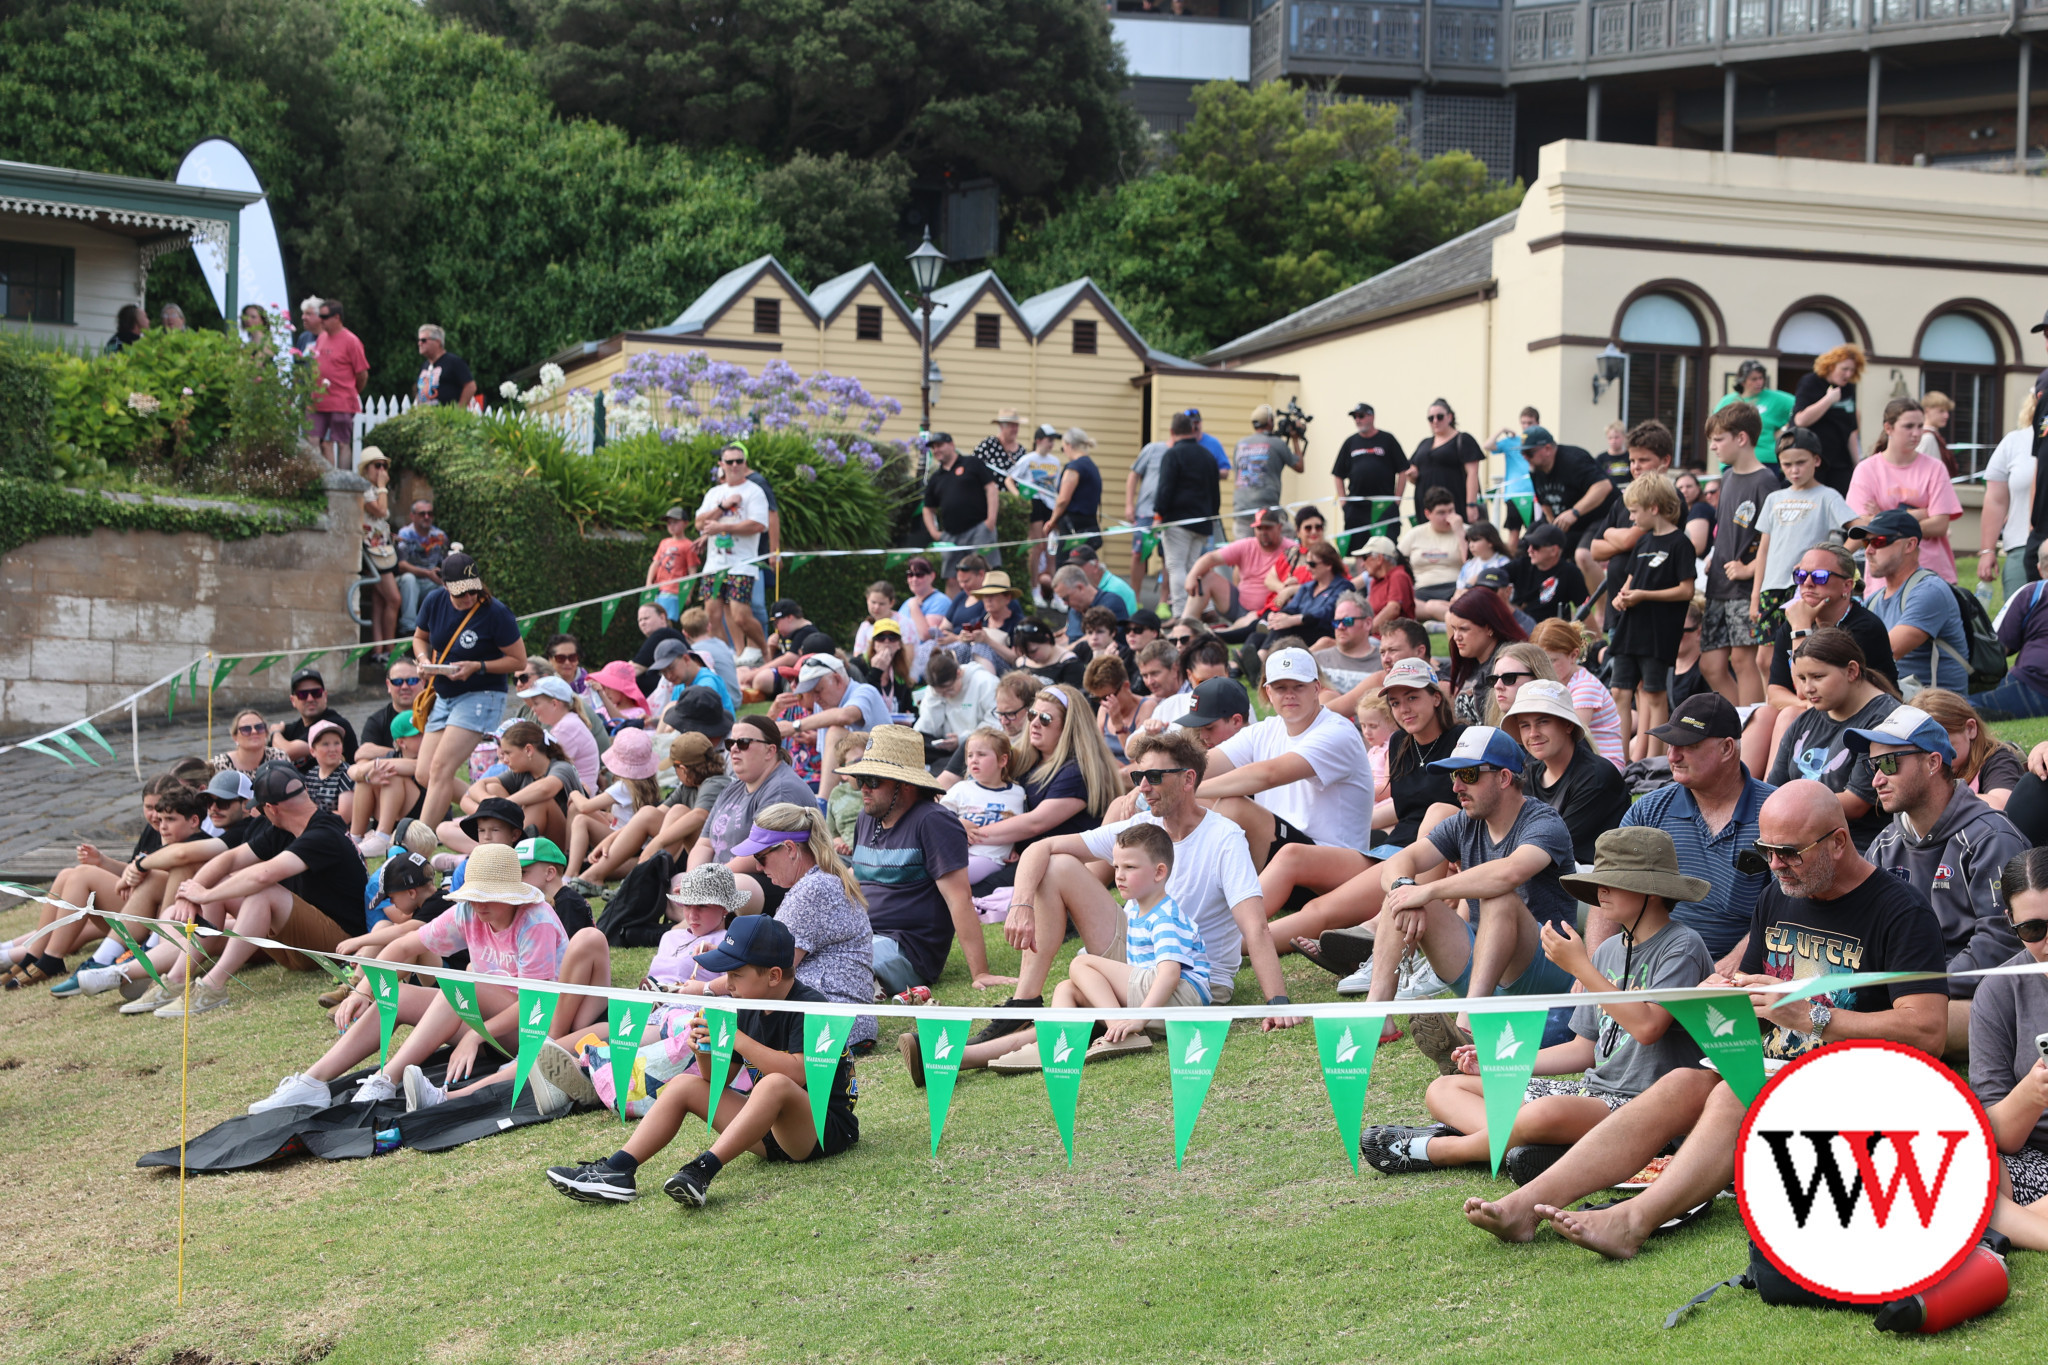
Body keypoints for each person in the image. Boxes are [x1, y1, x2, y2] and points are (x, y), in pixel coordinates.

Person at [1466, 780, 1947, 1259]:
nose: (1775, 865)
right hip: (1771, 1067)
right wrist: (1728, 990)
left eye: (1789, 853)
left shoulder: (1901, 911)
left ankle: (1633, 1221)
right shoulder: (1779, 896)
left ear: (1838, 843)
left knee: (1730, 1094)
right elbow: (1759, 990)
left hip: (1854, 1081)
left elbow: (1928, 1032)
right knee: (1680, 1081)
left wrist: (1815, 1016)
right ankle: (1524, 1208)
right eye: (1766, 850)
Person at [1360, 827, 1714, 1176]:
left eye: (1613, 882)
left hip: (1649, 1106)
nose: (1600, 891)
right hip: (1595, 1096)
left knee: (1543, 1114)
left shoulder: (1682, 946)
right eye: (1599, 881)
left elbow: (1649, 1027)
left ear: (1651, 892)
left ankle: (1446, 1150)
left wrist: (1580, 966)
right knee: (1445, 1088)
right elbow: (1583, 1050)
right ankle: (1538, 1148)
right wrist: (1500, 1063)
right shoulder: (1608, 950)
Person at [952, 728, 1289, 1075]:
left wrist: (1277, 1001)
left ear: (1189, 779)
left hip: (1191, 979)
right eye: (1138, 776)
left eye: (1154, 777)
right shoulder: (1142, 828)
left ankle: (973, 1055)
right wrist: (1021, 904)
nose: (1143, 787)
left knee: (1076, 982)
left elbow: (1255, 926)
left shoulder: (1223, 837)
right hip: (1140, 960)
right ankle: (1010, 1018)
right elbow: (1041, 847)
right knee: (1057, 868)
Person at [543, 915, 855, 1207]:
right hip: (767, 1131)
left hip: (819, 1133)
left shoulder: (812, 1006)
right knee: (682, 1085)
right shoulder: (746, 1005)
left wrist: (737, 1039)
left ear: (773, 975)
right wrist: (703, 1051)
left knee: (774, 1083)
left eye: (735, 974)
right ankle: (617, 1171)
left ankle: (702, 1170)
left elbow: (796, 1075)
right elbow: (717, 1081)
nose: (727, 984)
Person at [1362, 727, 1580, 1063]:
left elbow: (1509, 873)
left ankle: (1469, 1026)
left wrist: (1428, 890)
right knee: (1401, 891)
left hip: (1546, 970)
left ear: (1504, 777)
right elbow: (1401, 861)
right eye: (1453, 775)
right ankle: (1377, 1017)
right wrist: (1403, 887)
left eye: (1467, 774)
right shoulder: (1464, 821)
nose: (1456, 786)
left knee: (1500, 897)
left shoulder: (1543, 822)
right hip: (1486, 965)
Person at [1857, 704, 2026, 1058]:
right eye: (1873, 766)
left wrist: (1917, 990)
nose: (1876, 779)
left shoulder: (1991, 837)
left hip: (1972, 995)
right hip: (1905, 995)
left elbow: (2003, 942)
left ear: (1933, 763)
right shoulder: (1885, 844)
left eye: (1889, 764)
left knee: (1872, 1029)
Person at [140, 765, 369, 1018]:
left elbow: (263, 875)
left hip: (340, 947)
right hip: (301, 942)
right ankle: (176, 979)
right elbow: (228, 860)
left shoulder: (324, 834)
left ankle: (212, 986)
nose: (257, 813)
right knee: (223, 886)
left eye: (259, 808)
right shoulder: (285, 829)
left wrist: (203, 895)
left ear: (271, 809)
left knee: (261, 892)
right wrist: (190, 894)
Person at [839, 725, 1010, 992]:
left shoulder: (933, 821)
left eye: (873, 781)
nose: (863, 789)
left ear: (905, 785)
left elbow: (959, 899)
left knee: (839, 966)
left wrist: (981, 972)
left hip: (906, 948)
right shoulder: (868, 816)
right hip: (860, 934)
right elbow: (856, 876)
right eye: (861, 779)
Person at [1616, 692, 1773, 967]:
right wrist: (1593, 967)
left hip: (1741, 975)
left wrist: (1731, 966)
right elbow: (1607, 887)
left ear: (1727, 749)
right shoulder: (1648, 810)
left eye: (1688, 744)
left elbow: (1792, 909)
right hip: (1651, 967)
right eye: (1669, 744)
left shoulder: (1776, 812)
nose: (1672, 756)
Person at [1050, 822, 1212, 1059]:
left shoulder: (1165, 915)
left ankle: (1120, 1032)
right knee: (1066, 988)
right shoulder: (1135, 910)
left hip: (1182, 999)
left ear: (1159, 872)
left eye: (1130, 867)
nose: (1119, 876)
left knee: (1081, 964)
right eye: (1116, 867)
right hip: (1159, 1002)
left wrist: (1138, 1019)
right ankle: (1059, 1047)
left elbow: (1170, 974)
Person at [1198, 648, 1375, 864]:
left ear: (1316, 689)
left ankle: (1230, 894)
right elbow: (1203, 764)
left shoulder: (1337, 732)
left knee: (1231, 805)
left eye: (1299, 686)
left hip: (1336, 860)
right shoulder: (1265, 730)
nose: (1289, 694)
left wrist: (1186, 789)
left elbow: (1269, 775)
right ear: (1269, 693)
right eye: (1281, 688)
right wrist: (1157, 779)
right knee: (1194, 801)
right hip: (1287, 853)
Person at [726, 804, 877, 1047]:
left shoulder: (813, 889)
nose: (757, 867)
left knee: (694, 1019)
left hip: (828, 1024)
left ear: (789, 849)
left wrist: (704, 988)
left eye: (761, 857)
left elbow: (769, 971)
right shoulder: (819, 882)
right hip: (834, 1018)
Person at [1967, 849, 2048, 1249]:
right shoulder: (2000, 990)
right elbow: (1998, 1136)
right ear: (2013, 927)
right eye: (2034, 930)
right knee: (1957, 1164)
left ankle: (2003, 1223)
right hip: (2033, 1160)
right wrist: (2032, 1095)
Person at [1766, 627, 1898, 852]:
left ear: (1852, 671)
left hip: (1858, 847)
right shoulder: (1805, 720)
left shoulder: (1886, 721)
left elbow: (1856, 803)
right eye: (1801, 678)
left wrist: (1787, 808)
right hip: (1797, 842)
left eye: (1818, 677)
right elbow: (1772, 788)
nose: (1807, 688)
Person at [1698, 403, 1784, 707]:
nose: (1713, 447)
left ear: (1742, 438)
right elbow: (1727, 526)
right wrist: (1713, 553)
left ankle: (1748, 729)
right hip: (1718, 583)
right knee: (1710, 664)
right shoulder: (1728, 477)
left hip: (1745, 588)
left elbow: (1772, 538)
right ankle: (1734, 722)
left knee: (1743, 660)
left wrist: (1749, 570)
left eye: (1719, 439)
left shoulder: (1766, 482)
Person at [1749, 427, 1857, 659]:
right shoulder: (1773, 498)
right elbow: (1764, 549)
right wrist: (1755, 594)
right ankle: (1772, 697)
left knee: (1802, 652)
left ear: (1816, 460)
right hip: (1771, 587)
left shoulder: (1828, 496)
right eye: (1787, 464)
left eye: (1801, 462)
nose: (1794, 470)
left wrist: (1831, 565)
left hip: (1804, 586)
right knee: (1764, 659)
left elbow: (1858, 531)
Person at [1608, 473, 1697, 755]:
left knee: (1654, 693)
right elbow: (1629, 583)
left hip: (1659, 632)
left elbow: (1686, 590)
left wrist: (1645, 596)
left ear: (1654, 508)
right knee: (1620, 692)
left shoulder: (1680, 543)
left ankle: (1654, 762)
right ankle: (1619, 760)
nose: (1632, 518)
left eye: (1635, 512)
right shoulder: (1643, 543)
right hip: (1630, 628)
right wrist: (1621, 599)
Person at [693, 717, 819, 902]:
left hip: (772, 881)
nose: (734, 748)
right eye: (730, 743)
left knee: (733, 887)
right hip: (724, 875)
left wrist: (707, 880)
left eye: (743, 743)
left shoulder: (782, 789)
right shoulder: (732, 788)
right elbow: (704, 843)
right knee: (677, 882)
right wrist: (692, 879)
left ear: (770, 751)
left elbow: (763, 853)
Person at [1505, 681, 1629, 864]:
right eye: (1524, 725)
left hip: (1587, 881)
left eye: (1543, 722)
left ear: (1568, 725)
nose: (1533, 733)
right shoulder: (1530, 774)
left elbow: (1550, 847)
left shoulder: (1596, 777)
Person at [1854, 508, 1969, 695]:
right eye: (1866, 542)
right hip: (1900, 696)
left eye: (1878, 541)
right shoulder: (1874, 599)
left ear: (1909, 545)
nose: (1868, 551)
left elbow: (1883, 653)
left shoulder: (1929, 591)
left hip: (1936, 706)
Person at [1849, 397, 1962, 587]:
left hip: (1931, 573)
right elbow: (1861, 523)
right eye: (1909, 426)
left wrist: (1882, 518)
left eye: (1920, 426)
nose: (1916, 433)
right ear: (1889, 428)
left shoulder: (1935, 468)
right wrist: (1918, 514)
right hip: (1883, 577)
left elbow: (1940, 525)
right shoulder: (1866, 469)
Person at [1586, 420, 1676, 634]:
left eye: (1643, 460)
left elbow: (1631, 540)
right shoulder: (1622, 500)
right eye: (1632, 460)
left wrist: (1611, 534)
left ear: (1665, 461)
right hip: (1617, 610)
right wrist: (1620, 537)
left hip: (1650, 610)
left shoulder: (1669, 498)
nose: (1635, 467)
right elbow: (1595, 550)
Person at [694, 443, 772, 656]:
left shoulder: (754, 491)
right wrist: (722, 508)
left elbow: (758, 525)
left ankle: (765, 651)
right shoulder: (715, 493)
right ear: (721, 464)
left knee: (740, 615)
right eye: (730, 461)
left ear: (745, 463)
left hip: (742, 563)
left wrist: (723, 527)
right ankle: (731, 655)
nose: (735, 465)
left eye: (739, 461)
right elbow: (699, 524)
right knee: (712, 615)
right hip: (714, 564)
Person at [561, 727, 661, 883]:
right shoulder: (647, 783)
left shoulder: (623, 786)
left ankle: (570, 873)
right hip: (631, 837)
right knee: (578, 810)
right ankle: (570, 858)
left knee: (581, 818)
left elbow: (585, 806)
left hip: (625, 842)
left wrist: (574, 792)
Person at [1153, 412, 1222, 618]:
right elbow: (1215, 492)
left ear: (1172, 432)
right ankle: (1206, 609)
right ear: (1194, 430)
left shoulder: (1172, 455)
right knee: (1194, 567)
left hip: (1177, 521)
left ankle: (1181, 614)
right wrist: (1213, 516)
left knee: (1176, 566)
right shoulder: (1208, 456)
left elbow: (1165, 488)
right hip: (1202, 522)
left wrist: (1159, 513)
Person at [1530, 618, 1622, 769]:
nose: (1543, 669)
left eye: (1551, 661)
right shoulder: (1556, 684)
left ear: (1573, 655)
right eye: (1539, 662)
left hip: (1605, 767)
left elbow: (1570, 737)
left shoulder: (1585, 687)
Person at [1915, 687, 2025, 811]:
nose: (1937, 761)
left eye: (1943, 748)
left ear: (1970, 729)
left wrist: (1929, 797)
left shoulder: (1998, 759)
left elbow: (2000, 804)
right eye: (1923, 751)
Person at [942, 727, 1028, 883]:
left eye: (981, 754)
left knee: (954, 877)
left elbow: (1018, 825)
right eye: (969, 755)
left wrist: (1012, 847)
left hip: (989, 858)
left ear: (1002, 760)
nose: (974, 759)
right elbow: (938, 816)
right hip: (955, 852)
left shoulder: (1018, 793)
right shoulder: (961, 788)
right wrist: (958, 823)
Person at [1973, 540, 2048, 719]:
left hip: (2036, 686)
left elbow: (1994, 648)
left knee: (1954, 705)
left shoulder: (2035, 591)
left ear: (2039, 568)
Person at [921, 433, 1000, 592]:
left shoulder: (972, 463)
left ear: (951, 444)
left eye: (939, 445)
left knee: (986, 574)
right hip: (951, 535)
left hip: (979, 529)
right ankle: (954, 616)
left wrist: (991, 520)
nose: (936, 450)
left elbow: (991, 488)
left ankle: (987, 613)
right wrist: (935, 533)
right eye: (933, 447)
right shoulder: (935, 478)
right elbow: (927, 508)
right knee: (952, 578)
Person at [1520, 426, 1613, 561]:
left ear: (1547, 449)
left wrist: (1574, 512)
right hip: (1567, 523)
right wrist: (1553, 529)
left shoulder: (1573, 460)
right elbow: (1544, 503)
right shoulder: (1536, 469)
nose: (1525, 458)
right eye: (1522, 453)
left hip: (1599, 517)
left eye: (1529, 453)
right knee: (1525, 548)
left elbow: (1603, 486)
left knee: (1583, 555)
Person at [1979, 398, 2039, 601]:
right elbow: (1996, 500)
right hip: (2021, 547)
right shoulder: (2015, 441)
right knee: (2019, 623)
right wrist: (1987, 550)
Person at [939, 669, 1040, 789]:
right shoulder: (983, 740)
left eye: (1011, 714)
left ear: (1031, 709)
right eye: (1000, 713)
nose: (1003, 721)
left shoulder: (1036, 749)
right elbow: (947, 779)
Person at [1444, 587, 1527, 727]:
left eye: (1464, 629)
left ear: (1489, 628)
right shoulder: (1471, 660)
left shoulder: (1507, 666)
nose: (1456, 637)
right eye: (1454, 629)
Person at [1791, 343, 1865, 496]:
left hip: (1840, 462)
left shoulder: (1848, 388)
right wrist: (1828, 400)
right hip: (1814, 460)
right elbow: (1800, 420)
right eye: (1844, 369)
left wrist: (1857, 464)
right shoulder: (1811, 382)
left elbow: (1851, 430)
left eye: (1852, 370)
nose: (1848, 374)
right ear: (1831, 366)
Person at [1331, 402, 1408, 541]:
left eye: (1361, 416)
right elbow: (1338, 474)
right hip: (1356, 507)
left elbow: (1403, 470)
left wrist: (1397, 499)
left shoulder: (1388, 439)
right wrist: (1344, 503)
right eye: (1355, 417)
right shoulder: (1350, 442)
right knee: (1358, 549)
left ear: (1372, 417)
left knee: (1385, 546)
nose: (1358, 420)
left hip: (1384, 505)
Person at [311, 300, 368, 468]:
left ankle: (343, 481)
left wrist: (352, 391)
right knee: (312, 438)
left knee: (342, 442)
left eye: (325, 316)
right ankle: (319, 478)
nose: (320, 320)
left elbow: (362, 373)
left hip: (341, 400)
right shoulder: (321, 338)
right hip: (318, 400)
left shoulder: (351, 341)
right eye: (319, 316)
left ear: (337, 317)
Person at [1232, 405, 1304, 538]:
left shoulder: (1240, 444)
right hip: (1267, 511)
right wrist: (1295, 438)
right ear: (1270, 421)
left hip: (1241, 510)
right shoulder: (1276, 443)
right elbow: (1299, 466)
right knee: (1289, 541)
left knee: (1245, 553)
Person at [1412, 398, 1485, 525]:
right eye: (1431, 418)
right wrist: (1411, 475)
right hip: (1427, 506)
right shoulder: (1424, 443)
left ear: (1449, 417)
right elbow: (1414, 475)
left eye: (1439, 417)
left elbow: (1472, 474)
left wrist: (1471, 505)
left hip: (1454, 503)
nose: (1435, 421)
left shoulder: (1463, 439)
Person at [1399, 488, 1467, 621]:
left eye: (1451, 511)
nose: (1448, 517)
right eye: (1441, 513)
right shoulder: (1415, 534)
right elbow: (1395, 560)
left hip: (1455, 589)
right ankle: (1448, 617)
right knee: (1407, 605)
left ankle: (1439, 616)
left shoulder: (1466, 531)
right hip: (1423, 590)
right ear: (1427, 514)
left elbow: (1470, 564)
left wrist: (1460, 533)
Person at [358, 448, 401, 654]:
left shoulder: (374, 489)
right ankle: (389, 649)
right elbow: (381, 511)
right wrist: (383, 487)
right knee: (394, 598)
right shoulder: (366, 489)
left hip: (382, 549)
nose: (382, 470)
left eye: (384, 465)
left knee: (379, 601)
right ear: (366, 469)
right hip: (373, 552)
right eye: (377, 465)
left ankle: (378, 650)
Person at [1712, 359, 1793, 465]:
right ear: (1742, 381)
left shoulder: (1777, 398)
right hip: (1733, 459)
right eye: (1753, 379)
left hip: (1766, 458)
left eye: (1761, 378)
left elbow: (1801, 409)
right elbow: (1714, 427)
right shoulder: (1727, 401)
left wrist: (1785, 428)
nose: (1759, 382)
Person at [274, 667, 359, 766]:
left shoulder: (334, 725)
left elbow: (287, 753)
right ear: (293, 700)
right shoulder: (294, 729)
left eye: (316, 693)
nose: (310, 699)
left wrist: (275, 732)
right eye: (303, 694)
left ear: (325, 696)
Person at [1506, 523, 1587, 625]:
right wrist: (1506, 605)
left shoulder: (1570, 572)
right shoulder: (1522, 564)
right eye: (1529, 545)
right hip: (1517, 628)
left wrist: (1597, 640)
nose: (1529, 550)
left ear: (1554, 550)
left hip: (1550, 632)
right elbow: (1490, 578)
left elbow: (1584, 608)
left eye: (1535, 546)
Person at [1043, 428, 1105, 552]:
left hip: (1073, 528)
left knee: (1065, 566)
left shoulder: (1075, 468)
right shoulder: (1092, 466)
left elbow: (1063, 499)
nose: (1064, 451)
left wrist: (1052, 521)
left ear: (1069, 445)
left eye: (1063, 448)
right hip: (1089, 525)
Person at [392, 500, 449, 634]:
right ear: (413, 516)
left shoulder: (439, 536)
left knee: (448, 586)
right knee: (409, 579)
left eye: (430, 513)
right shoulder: (405, 534)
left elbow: (446, 561)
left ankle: (440, 628)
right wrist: (428, 573)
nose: (427, 517)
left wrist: (441, 575)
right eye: (422, 514)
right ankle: (409, 628)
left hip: (431, 581)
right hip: (412, 581)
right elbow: (401, 565)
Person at [645, 506, 701, 622]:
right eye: (669, 523)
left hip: (673, 590)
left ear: (685, 523)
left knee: (666, 620)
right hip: (657, 588)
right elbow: (655, 563)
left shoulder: (689, 545)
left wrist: (688, 593)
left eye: (675, 522)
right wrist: (649, 583)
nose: (671, 525)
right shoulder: (664, 542)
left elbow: (692, 572)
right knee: (654, 619)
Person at [210, 708, 290, 778]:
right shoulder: (219, 765)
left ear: (266, 733)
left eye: (259, 727)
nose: (254, 731)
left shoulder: (279, 757)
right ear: (235, 737)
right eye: (246, 729)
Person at [300, 722, 356, 819]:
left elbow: (344, 817)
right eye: (325, 744)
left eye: (337, 743)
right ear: (312, 751)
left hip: (339, 831)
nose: (332, 749)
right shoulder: (311, 774)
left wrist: (311, 814)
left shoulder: (347, 774)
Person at [413, 324, 476, 408]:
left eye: (424, 340)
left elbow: (470, 386)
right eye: (419, 340)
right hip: (426, 417)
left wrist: (459, 409)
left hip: (444, 418)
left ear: (438, 342)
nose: (419, 343)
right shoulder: (425, 365)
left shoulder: (453, 362)